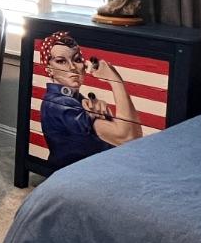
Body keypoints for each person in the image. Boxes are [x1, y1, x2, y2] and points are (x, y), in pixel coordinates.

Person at [36, 30, 143, 168]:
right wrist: (115, 80)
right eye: (61, 61)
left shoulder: (77, 100)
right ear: (49, 69)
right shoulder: (60, 104)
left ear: (84, 66)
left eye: (77, 59)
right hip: (78, 175)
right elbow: (127, 137)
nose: (72, 67)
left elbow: (133, 136)